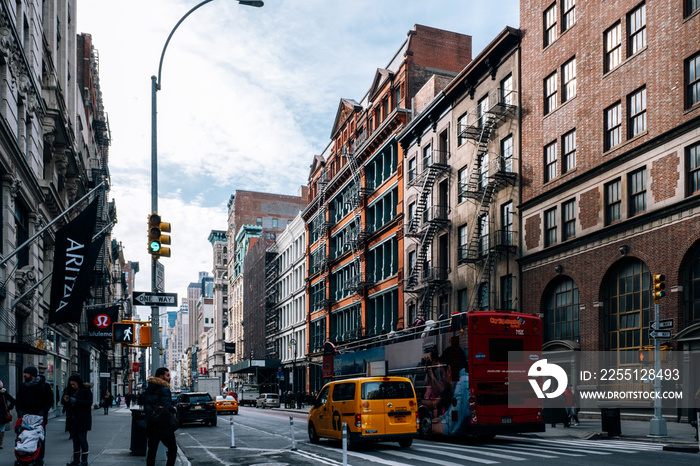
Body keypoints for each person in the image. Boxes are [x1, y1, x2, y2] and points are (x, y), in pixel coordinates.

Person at [16, 366, 53, 464]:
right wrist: (19, 411)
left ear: (32, 375)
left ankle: (38, 457)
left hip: (39, 417)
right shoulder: (23, 386)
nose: (24, 375)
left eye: (26, 373)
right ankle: (23, 456)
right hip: (25, 417)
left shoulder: (44, 386)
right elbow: (18, 400)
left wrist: (43, 411)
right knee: (22, 436)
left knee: (39, 437)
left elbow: (50, 401)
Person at [430, 345, 470, 436]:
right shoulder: (462, 381)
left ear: (449, 370)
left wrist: (422, 427)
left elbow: (448, 427)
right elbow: (447, 416)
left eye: (442, 373)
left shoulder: (462, 386)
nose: (442, 379)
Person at [143, 367, 177, 466]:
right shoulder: (164, 389)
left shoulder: (148, 388)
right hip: (162, 425)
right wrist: (174, 409)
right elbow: (167, 407)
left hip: (151, 423)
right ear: (161, 377)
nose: (170, 378)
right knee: (172, 448)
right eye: (168, 375)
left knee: (152, 450)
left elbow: (146, 404)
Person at [62, 375, 92, 466]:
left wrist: (75, 401)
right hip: (73, 419)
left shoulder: (85, 391)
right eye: (71, 384)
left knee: (82, 439)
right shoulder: (69, 391)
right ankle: (76, 460)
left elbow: (88, 403)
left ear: (78, 383)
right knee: (75, 440)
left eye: (73, 384)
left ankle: (84, 460)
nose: (72, 386)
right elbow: (63, 402)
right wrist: (66, 400)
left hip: (83, 419)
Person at [0, 379, 16, 449]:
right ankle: (0, 444)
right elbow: (13, 401)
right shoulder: (4, 393)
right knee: (2, 428)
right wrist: (9, 408)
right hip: (3, 414)